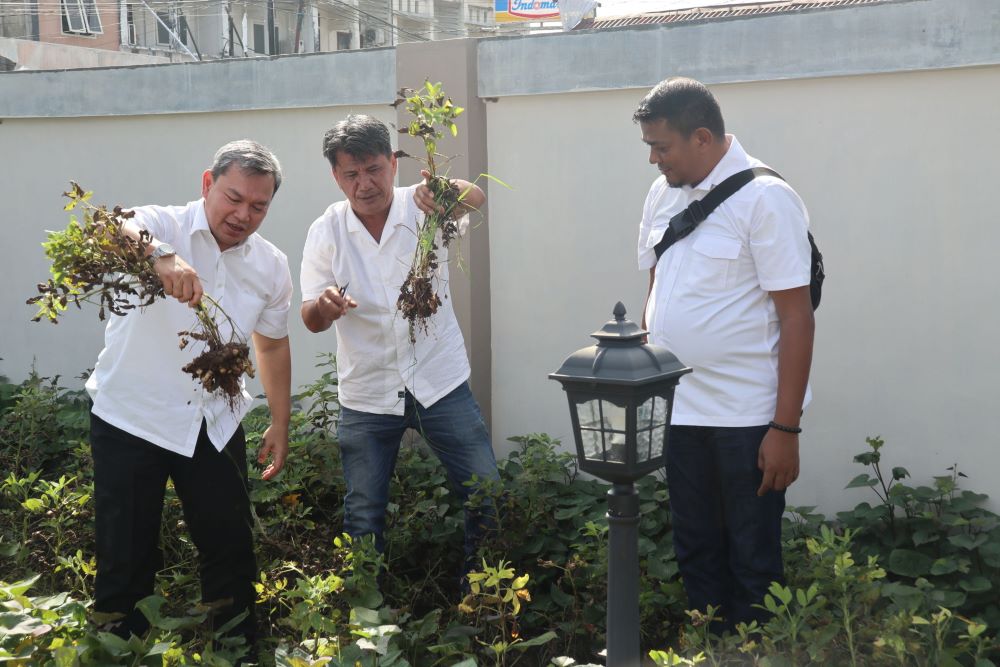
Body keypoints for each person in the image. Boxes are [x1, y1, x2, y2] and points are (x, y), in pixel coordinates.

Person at [86, 140, 293, 655]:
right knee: (126, 550)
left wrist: (281, 421)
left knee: (230, 544)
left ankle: (236, 650)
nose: (244, 214)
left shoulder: (270, 265)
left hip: (214, 421)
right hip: (132, 417)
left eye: (259, 206)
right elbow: (109, 224)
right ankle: (119, 649)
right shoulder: (164, 225)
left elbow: (271, 344)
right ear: (207, 183)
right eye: (233, 197)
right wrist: (160, 254)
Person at [634, 78, 815, 629]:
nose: (652, 159)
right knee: (696, 552)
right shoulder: (663, 195)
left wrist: (785, 429)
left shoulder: (766, 198)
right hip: (680, 411)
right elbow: (657, 284)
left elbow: (796, 315)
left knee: (753, 561)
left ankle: (758, 656)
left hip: (747, 420)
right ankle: (710, 651)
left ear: (704, 138)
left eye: (661, 147)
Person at [299, 114, 499, 574]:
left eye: (374, 169)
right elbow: (309, 317)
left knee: (486, 491)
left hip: (439, 380)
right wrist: (326, 307)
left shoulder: (423, 204)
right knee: (363, 513)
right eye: (351, 174)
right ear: (336, 175)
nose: (364, 184)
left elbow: (478, 196)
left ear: (393, 163)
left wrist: (446, 190)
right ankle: (367, 615)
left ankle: (485, 597)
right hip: (367, 393)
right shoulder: (326, 231)